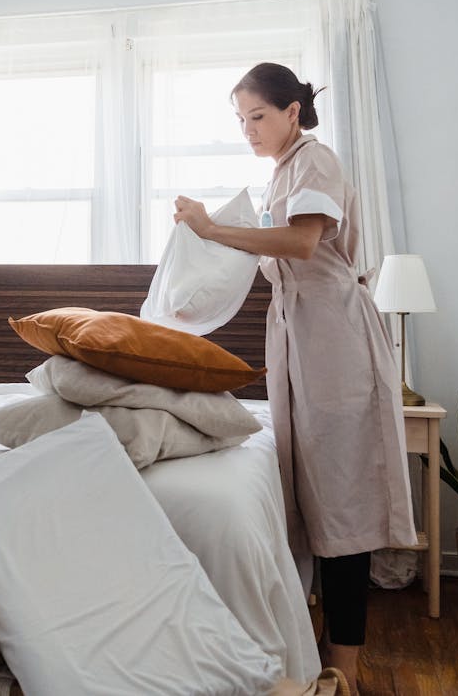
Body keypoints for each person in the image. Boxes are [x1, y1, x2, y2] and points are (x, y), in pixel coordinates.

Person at [173, 63, 415, 693]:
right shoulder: (283, 173)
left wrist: (209, 228)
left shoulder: (315, 160)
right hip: (299, 337)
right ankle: (317, 650)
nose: (248, 130)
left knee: (344, 502)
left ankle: (347, 672)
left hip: (334, 341)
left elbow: (303, 244)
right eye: (240, 120)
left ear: (291, 111)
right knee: (314, 496)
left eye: (257, 116)